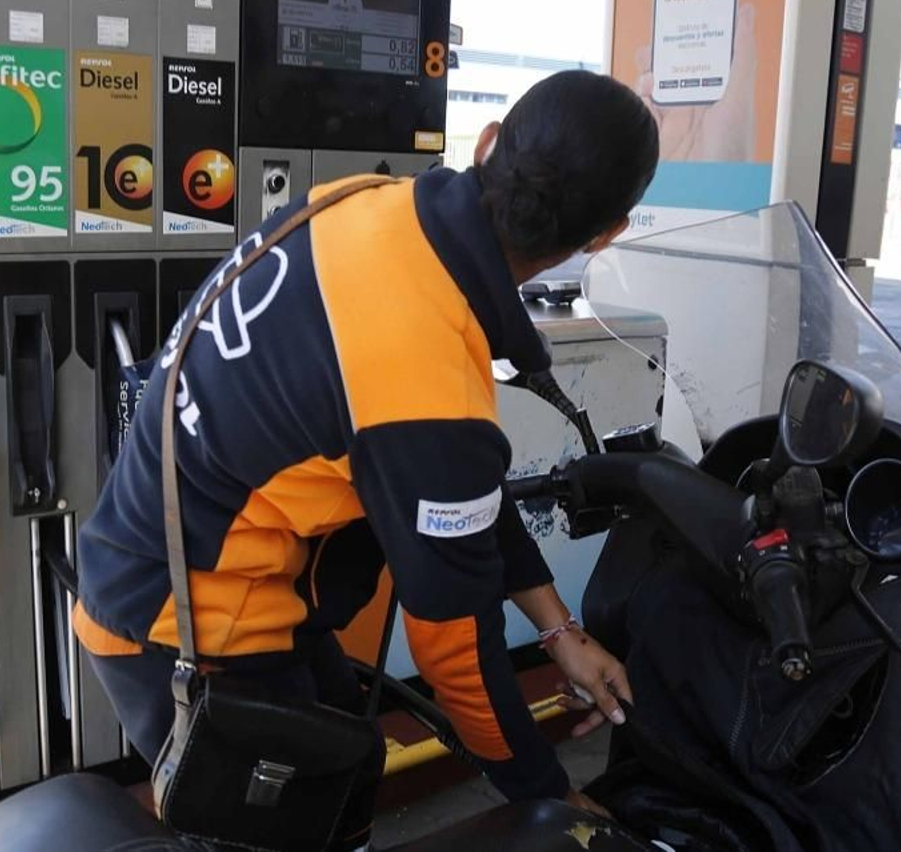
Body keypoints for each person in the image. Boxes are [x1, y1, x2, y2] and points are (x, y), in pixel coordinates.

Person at [74, 70, 661, 849]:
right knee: (290, 824)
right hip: (180, 622)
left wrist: (559, 632)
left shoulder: (365, 202)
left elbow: (463, 497)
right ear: (606, 234)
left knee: (345, 775)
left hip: (171, 555)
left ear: (487, 143)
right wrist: (559, 804)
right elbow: (456, 651)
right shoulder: (428, 385)